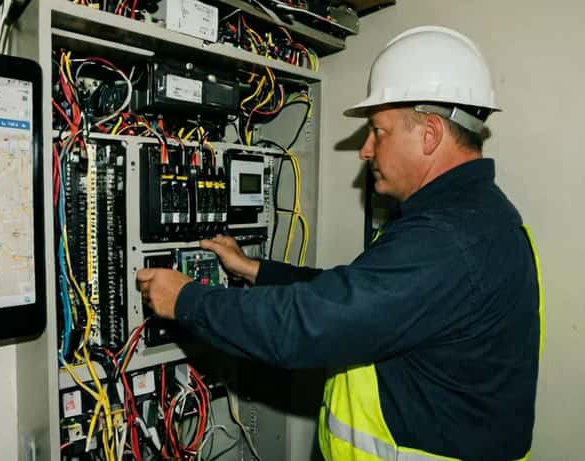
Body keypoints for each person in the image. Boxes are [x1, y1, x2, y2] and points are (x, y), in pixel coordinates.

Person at [138, 25, 543, 461]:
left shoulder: (446, 239)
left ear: (429, 135)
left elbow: (307, 325)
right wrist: (255, 270)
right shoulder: (475, 220)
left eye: (378, 131)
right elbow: (356, 295)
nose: (366, 150)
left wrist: (186, 300)